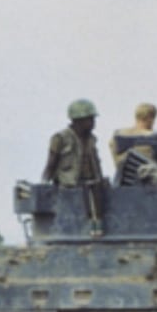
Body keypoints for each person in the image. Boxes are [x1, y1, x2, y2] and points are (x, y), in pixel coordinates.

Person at [42, 98, 105, 236]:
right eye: (90, 119)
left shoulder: (91, 139)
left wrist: (100, 178)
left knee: (97, 200)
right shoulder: (60, 138)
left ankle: (96, 226)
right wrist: (44, 184)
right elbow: (51, 163)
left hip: (91, 183)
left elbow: (95, 161)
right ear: (78, 120)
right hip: (69, 183)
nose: (93, 123)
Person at [109, 102, 157, 169]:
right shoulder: (152, 137)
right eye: (153, 118)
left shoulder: (119, 134)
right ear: (150, 118)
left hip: (124, 177)